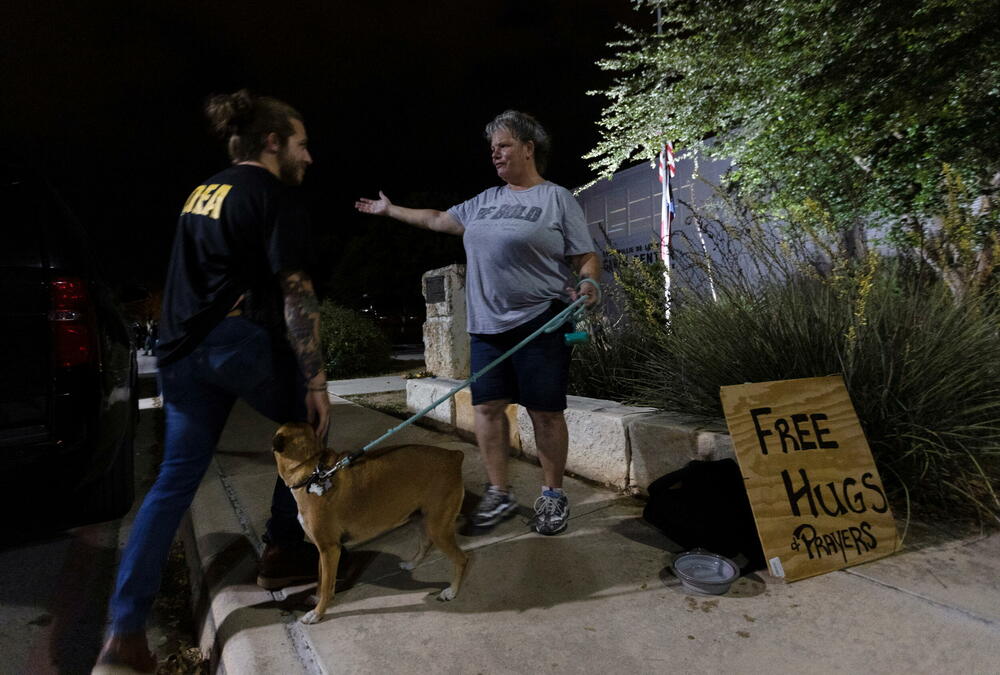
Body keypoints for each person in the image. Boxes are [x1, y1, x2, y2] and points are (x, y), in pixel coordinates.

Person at [93, 90, 330, 673]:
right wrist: (316, 379)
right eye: (301, 144)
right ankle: (284, 547)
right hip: (233, 341)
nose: (308, 156)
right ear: (272, 142)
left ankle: (124, 635)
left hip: (180, 352)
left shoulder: (204, 191)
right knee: (307, 426)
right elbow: (297, 293)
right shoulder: (270, 194)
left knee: (174, 480)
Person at [355, 110, 600, 537]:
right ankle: (499, 492)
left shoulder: (556, 199)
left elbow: (585, 257)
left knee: (545, 413)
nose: (495, 154)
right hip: (487, 325)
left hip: (541, 321)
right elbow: (437, 219)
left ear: (528, 148)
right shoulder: (484, 200)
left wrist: (589, 283)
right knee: (486, 408)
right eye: (492, 148)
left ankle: (553, 495)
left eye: (504, 145)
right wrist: (391, 210)